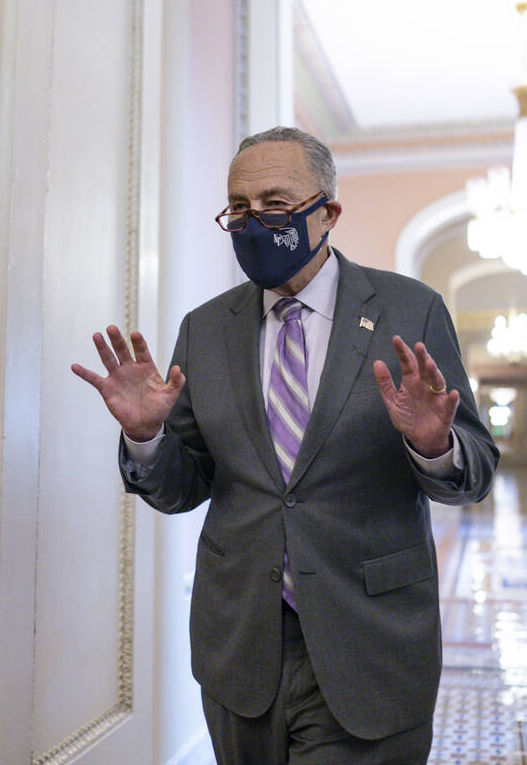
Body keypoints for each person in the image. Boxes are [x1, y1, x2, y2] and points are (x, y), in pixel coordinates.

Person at [72, 126, 497, 764]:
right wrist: (145, 436)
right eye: (239, 207)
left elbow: (476, 471)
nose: (253, 221)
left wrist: (436, 445)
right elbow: (186, 487)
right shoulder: (208, 328)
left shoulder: (410, 310)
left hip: (369, 639)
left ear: (327, 213)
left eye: (275, 203)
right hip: (241, 641)